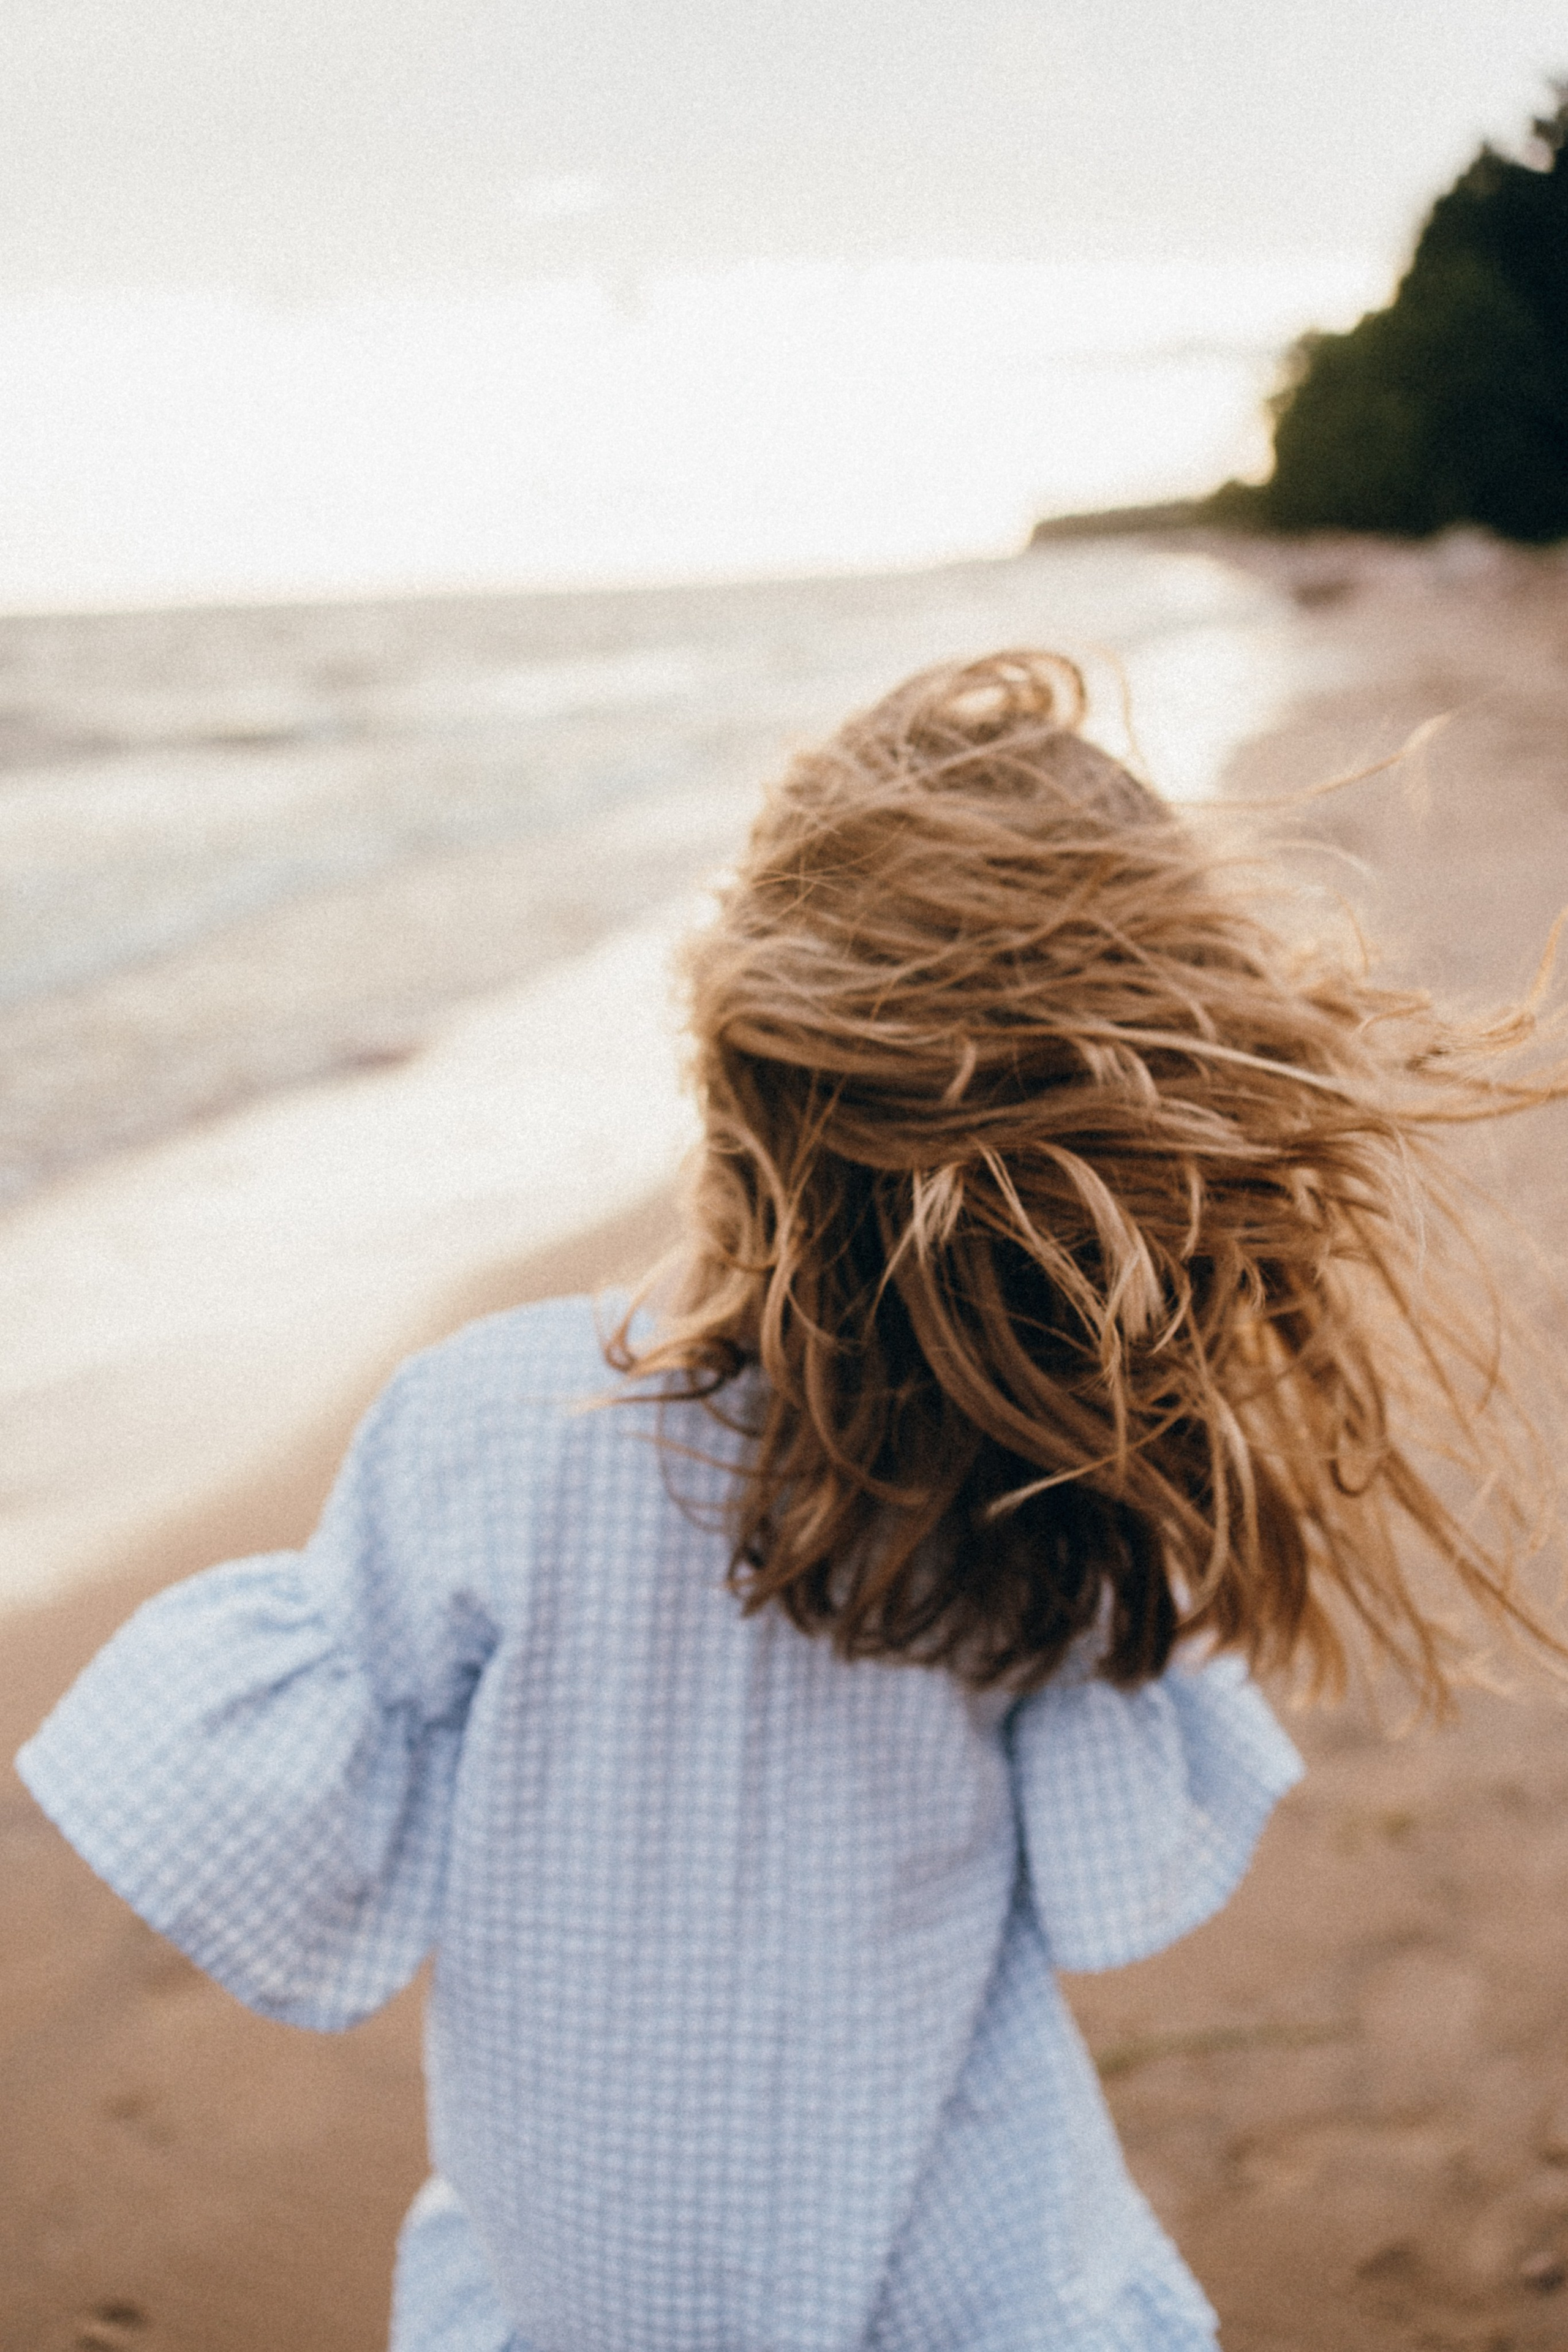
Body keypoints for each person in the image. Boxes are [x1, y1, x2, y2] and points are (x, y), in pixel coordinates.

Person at [17, 649, 1566, 2351]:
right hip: (977, 2280)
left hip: (587, 2292)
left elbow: (283, 1843)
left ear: (737, 1052)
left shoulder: (488, 1425)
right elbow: (1120, 1888)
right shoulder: (1048, 1475)